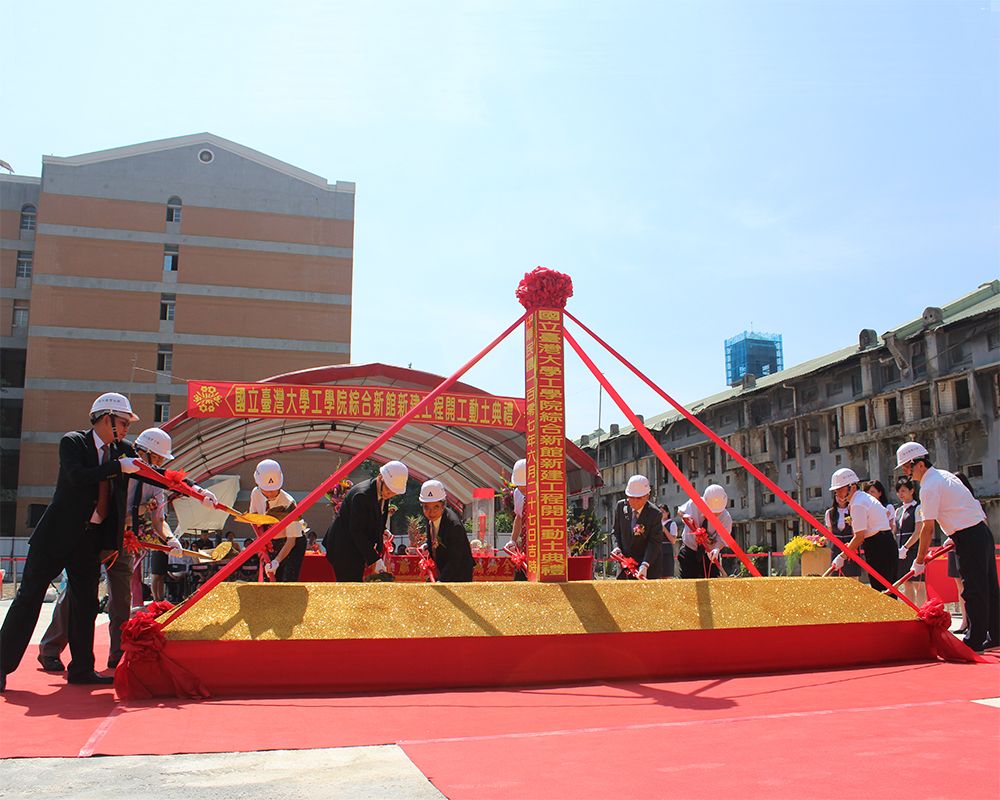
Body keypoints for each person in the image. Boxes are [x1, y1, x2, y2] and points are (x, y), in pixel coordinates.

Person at [3, 393, 142, 689]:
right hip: (54, 537)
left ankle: (82, 669)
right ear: (106, 419)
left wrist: (191, 487)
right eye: (124, 422)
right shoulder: (73, 442)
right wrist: (117, 468)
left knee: (86, 605)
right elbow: (78, 476)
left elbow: (151, 471)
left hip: (88, 540)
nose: (127, 428)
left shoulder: (123, 450)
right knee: (28, 599)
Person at [36, 426, 186, 671]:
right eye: (157, 457)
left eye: (162, 460)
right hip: (97, 536)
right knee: (77, 594)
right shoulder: (120, 467)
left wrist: (170, 540)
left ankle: (118, 654)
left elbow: (159, 520)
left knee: (121, 599)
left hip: (124, 542)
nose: (159, 463)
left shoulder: (156, 483)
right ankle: (50, 649)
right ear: (143, 452)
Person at [898, 442, 998, 653]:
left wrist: (918, 561)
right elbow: (967, 506)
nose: (906, 472)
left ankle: (975, 639)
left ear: (920, 464)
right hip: (977, 532)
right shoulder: (943, 476)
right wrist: (955, 534)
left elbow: (927, 529)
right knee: (988, 587)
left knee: (974, 589)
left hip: (970, 536)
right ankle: (996, 634)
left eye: (907, 467)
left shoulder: (929, 486)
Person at [324, 460, 408, 582]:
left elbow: (374, 517)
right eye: (388, 490)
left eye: (393, 493)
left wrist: (382, 530)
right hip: (343, 548)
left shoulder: (382, 493)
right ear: (380, 478)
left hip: (355, 546)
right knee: (350, 587)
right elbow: (357, 530)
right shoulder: (362, 495)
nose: (389, 494)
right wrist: (374, 559)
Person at [828, 468, 897, 589]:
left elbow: (859, 536)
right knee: (885, 591)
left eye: (840, 489)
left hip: (879, 546)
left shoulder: (858, 503)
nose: (837, 493)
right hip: (882, 542)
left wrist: (842, 557)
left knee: (882, 592)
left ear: (852, 487)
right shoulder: (863, 498)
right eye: (836, 490)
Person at [249, 459, 306, 582]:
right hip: (269, 541)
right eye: (266, 489)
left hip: (291, 542)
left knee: (285, 581)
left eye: (274, 489)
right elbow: (254, 519)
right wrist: (261, 542)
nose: (270, 493)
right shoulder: (255, 494)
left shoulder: (289, 503)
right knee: (267, 579)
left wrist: (276, 562)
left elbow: (291, 541)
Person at [419, 480, 474, 582]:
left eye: (436, 507)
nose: (431, 512)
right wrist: (427, 545)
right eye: (426, 507)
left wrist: (442, 581)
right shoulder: (430, 517)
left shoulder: (454, 525)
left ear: (443, 505)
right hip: (442, 569)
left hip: (458, 575)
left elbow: (455, 559)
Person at [611, 475, 663, 580]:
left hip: (646, 568)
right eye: (631, 497)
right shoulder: (621, 507)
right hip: (624, 566)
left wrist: (645, 564)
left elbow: (654, 542)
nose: (634, 501)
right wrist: (617, 547)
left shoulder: (655, 513)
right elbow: (616, 532)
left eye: (639, 498)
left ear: (647, 496)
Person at [676, 484, 731, 579]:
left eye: (718, 513)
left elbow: (722, 539)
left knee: (712, 585)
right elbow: (680, 511)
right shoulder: (694, 503)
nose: (715, 515)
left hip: (710, 555)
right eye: (712, 512)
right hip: (689, 550)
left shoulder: (726, 518)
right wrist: (686, 518)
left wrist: (716, 549)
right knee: (688, 585)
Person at [894, 478, 925, 606]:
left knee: (919, 583)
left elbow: (918, 531)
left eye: (903, 491)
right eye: (898, 491)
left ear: (912, 491)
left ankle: (923, 611)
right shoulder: (898, 510)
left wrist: (906, 547)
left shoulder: (918, 508)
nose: (901, 494)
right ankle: (911, 611)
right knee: (907, 582)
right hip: (901, 549)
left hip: (913, 548)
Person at [824, 491, 862, 579]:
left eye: (843, 496)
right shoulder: (830, 513)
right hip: (836, 546)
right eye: (838, 495)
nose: (841, 498)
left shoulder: (853, 510)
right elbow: (829, 532)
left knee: (852, 576)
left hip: (851, 545)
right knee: (836, 575)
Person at [509, 459, 528, 581]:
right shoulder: (517, 493)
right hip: (525, 544)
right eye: (519, 487)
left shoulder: (543, 493)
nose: (521, 490)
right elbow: (519, 517)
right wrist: (513, 540)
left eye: (524, 487)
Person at [659, 505, 677, 579]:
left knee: (667, 574)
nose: (661, 514)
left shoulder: (672, 524)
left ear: (667, 513)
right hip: (657, 551)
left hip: (666, 551)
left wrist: (664, 530)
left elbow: (673, 540)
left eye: (662, 512)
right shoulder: (656, 523)